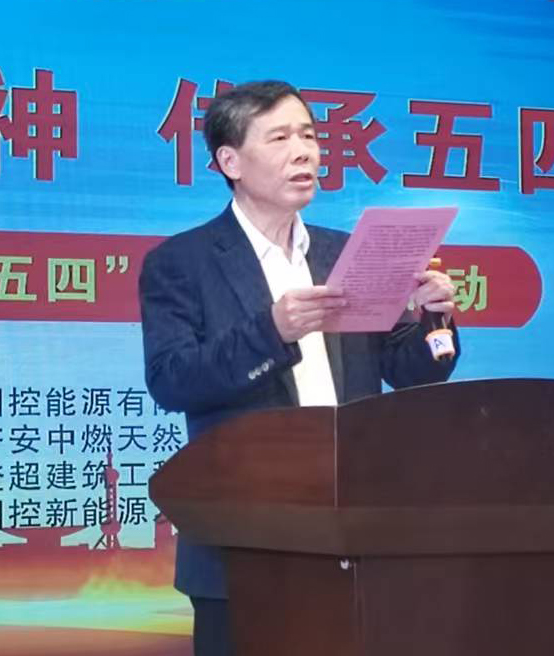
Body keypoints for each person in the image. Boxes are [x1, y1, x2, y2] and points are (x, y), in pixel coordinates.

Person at [138, 79, 461, 656]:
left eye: (309, 136)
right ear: (230, 162)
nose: (304, 152)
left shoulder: (344, 253)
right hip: (244, 542)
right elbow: (172, 379)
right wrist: (272, 332)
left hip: (355, 537)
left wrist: (434, 319)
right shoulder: (182, 262)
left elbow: (412, 372)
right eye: (280, 138)